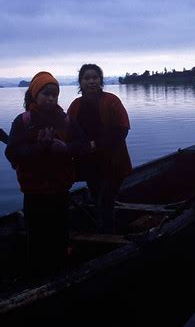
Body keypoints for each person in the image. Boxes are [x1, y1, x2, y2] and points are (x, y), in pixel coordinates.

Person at [5, 71, 88, 276]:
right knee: (37, 236)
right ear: (35, 95)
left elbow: (83, 146)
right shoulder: (23, 121)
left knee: (60, 233)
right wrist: (38, 148)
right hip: (34, 191)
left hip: (60, 189)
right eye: (46, 94)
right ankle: (38, 272)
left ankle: (60, 268)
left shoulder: (66, 120)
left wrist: (66, 148)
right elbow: (12, 151)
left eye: (55, 95)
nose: (51, 98)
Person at [67, 63, 132, 232]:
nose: (91, 81)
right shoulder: (75, 105)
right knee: (97, 199)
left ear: (101, 80)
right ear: (80, 82)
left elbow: (122, 129)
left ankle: (108, 236)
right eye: (86, 78)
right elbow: (66, 130)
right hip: (89, 163)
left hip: (113, 163)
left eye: (95, 77)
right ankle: (105, 230)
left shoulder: (112, 101)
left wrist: (95, 144)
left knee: (105, 201)